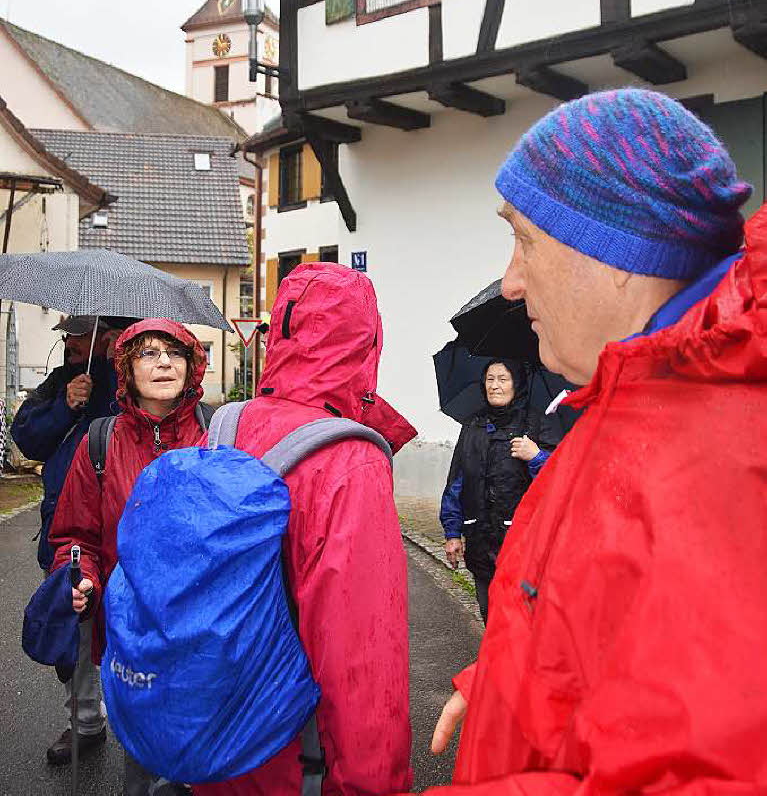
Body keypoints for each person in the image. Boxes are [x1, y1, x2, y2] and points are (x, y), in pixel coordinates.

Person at [425, 88, 767, 793]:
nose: (511, 284)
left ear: (617, 256)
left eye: (524, 239)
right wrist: (496, 681)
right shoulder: (632, 396)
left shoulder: (720, 469)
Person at [193, 262, 414, 796]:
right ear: (368, 342)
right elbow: (362, 658)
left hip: (214, 742)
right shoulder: (348, 460)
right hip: (294, 759)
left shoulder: (225, 426)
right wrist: (372, 785)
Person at [48, 318, 209, 796]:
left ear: (191, 365)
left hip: (199, 624)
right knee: (143, 753)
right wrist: (80, 577)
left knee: (195, 750)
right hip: (131, 627)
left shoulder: (218, 434)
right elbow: (77, 535)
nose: (163, 362)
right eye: (148, 353)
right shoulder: (99, 442)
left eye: (174, 353)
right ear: (126, 369)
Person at [11, 314, 125, 765]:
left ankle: (158, 738)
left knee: (139, 635)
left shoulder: (136, 383)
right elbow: (28, 437)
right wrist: (65, 405)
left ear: (110, 337)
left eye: (77, 335)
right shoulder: (64, 379)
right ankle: (84, 723)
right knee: (72, 631)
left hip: (123, 537)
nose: (68, 342)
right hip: (66, 530)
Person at [440, 359, 560, 622]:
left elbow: (563, 478)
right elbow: (457, 482)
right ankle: (496, 663)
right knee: (489, 611)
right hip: (481, 539)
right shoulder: (473, 426)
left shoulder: (539, 423)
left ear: (516, 384)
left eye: (503, 379)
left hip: (525, 545)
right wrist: (452, 532)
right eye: (490, 379)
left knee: (523, 618)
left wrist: (537, 456)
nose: (495, 386)